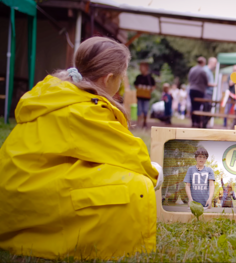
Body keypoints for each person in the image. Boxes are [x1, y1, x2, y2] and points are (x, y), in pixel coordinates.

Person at [0, 37, 163, 259]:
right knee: (136, 185)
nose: (122, 82)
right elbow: (129, 155)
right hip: (31, 197)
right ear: (109, 79)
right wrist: (156, 173)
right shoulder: (84, 109)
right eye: (122, 76)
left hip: (16, 191)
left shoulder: (57, 93)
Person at [188, 57, 212, 128]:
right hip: (199, 90)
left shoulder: (192, 69)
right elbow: (206, 82)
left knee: (193, 106)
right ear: (203, 63)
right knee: (198, 107)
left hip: (192, 89)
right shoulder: (202, 71)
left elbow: (189, 79)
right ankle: (198, 122)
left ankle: (193, 122)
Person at [134, 61, 156, 128]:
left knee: (145, 110)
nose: (140, 68)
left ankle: (144, 123)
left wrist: (150, 89)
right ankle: (138, 123)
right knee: (139, 110)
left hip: (146, 97)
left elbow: (153, 86)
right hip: (140, 96)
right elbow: (135, 84)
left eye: (142, 67)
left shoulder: (150, 78)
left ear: (146, 68)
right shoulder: (138, 77)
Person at [202, 57, 218, 128]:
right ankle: (203, 124)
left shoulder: (210, 71)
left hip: (209, 93)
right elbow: (204, 82)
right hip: (206, 93)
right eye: (215, 63)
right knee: (206, 109)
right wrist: (214, 85)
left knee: (209, 109)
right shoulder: (205, 70)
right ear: (211, 63)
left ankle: (205, 124)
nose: (215, 65)